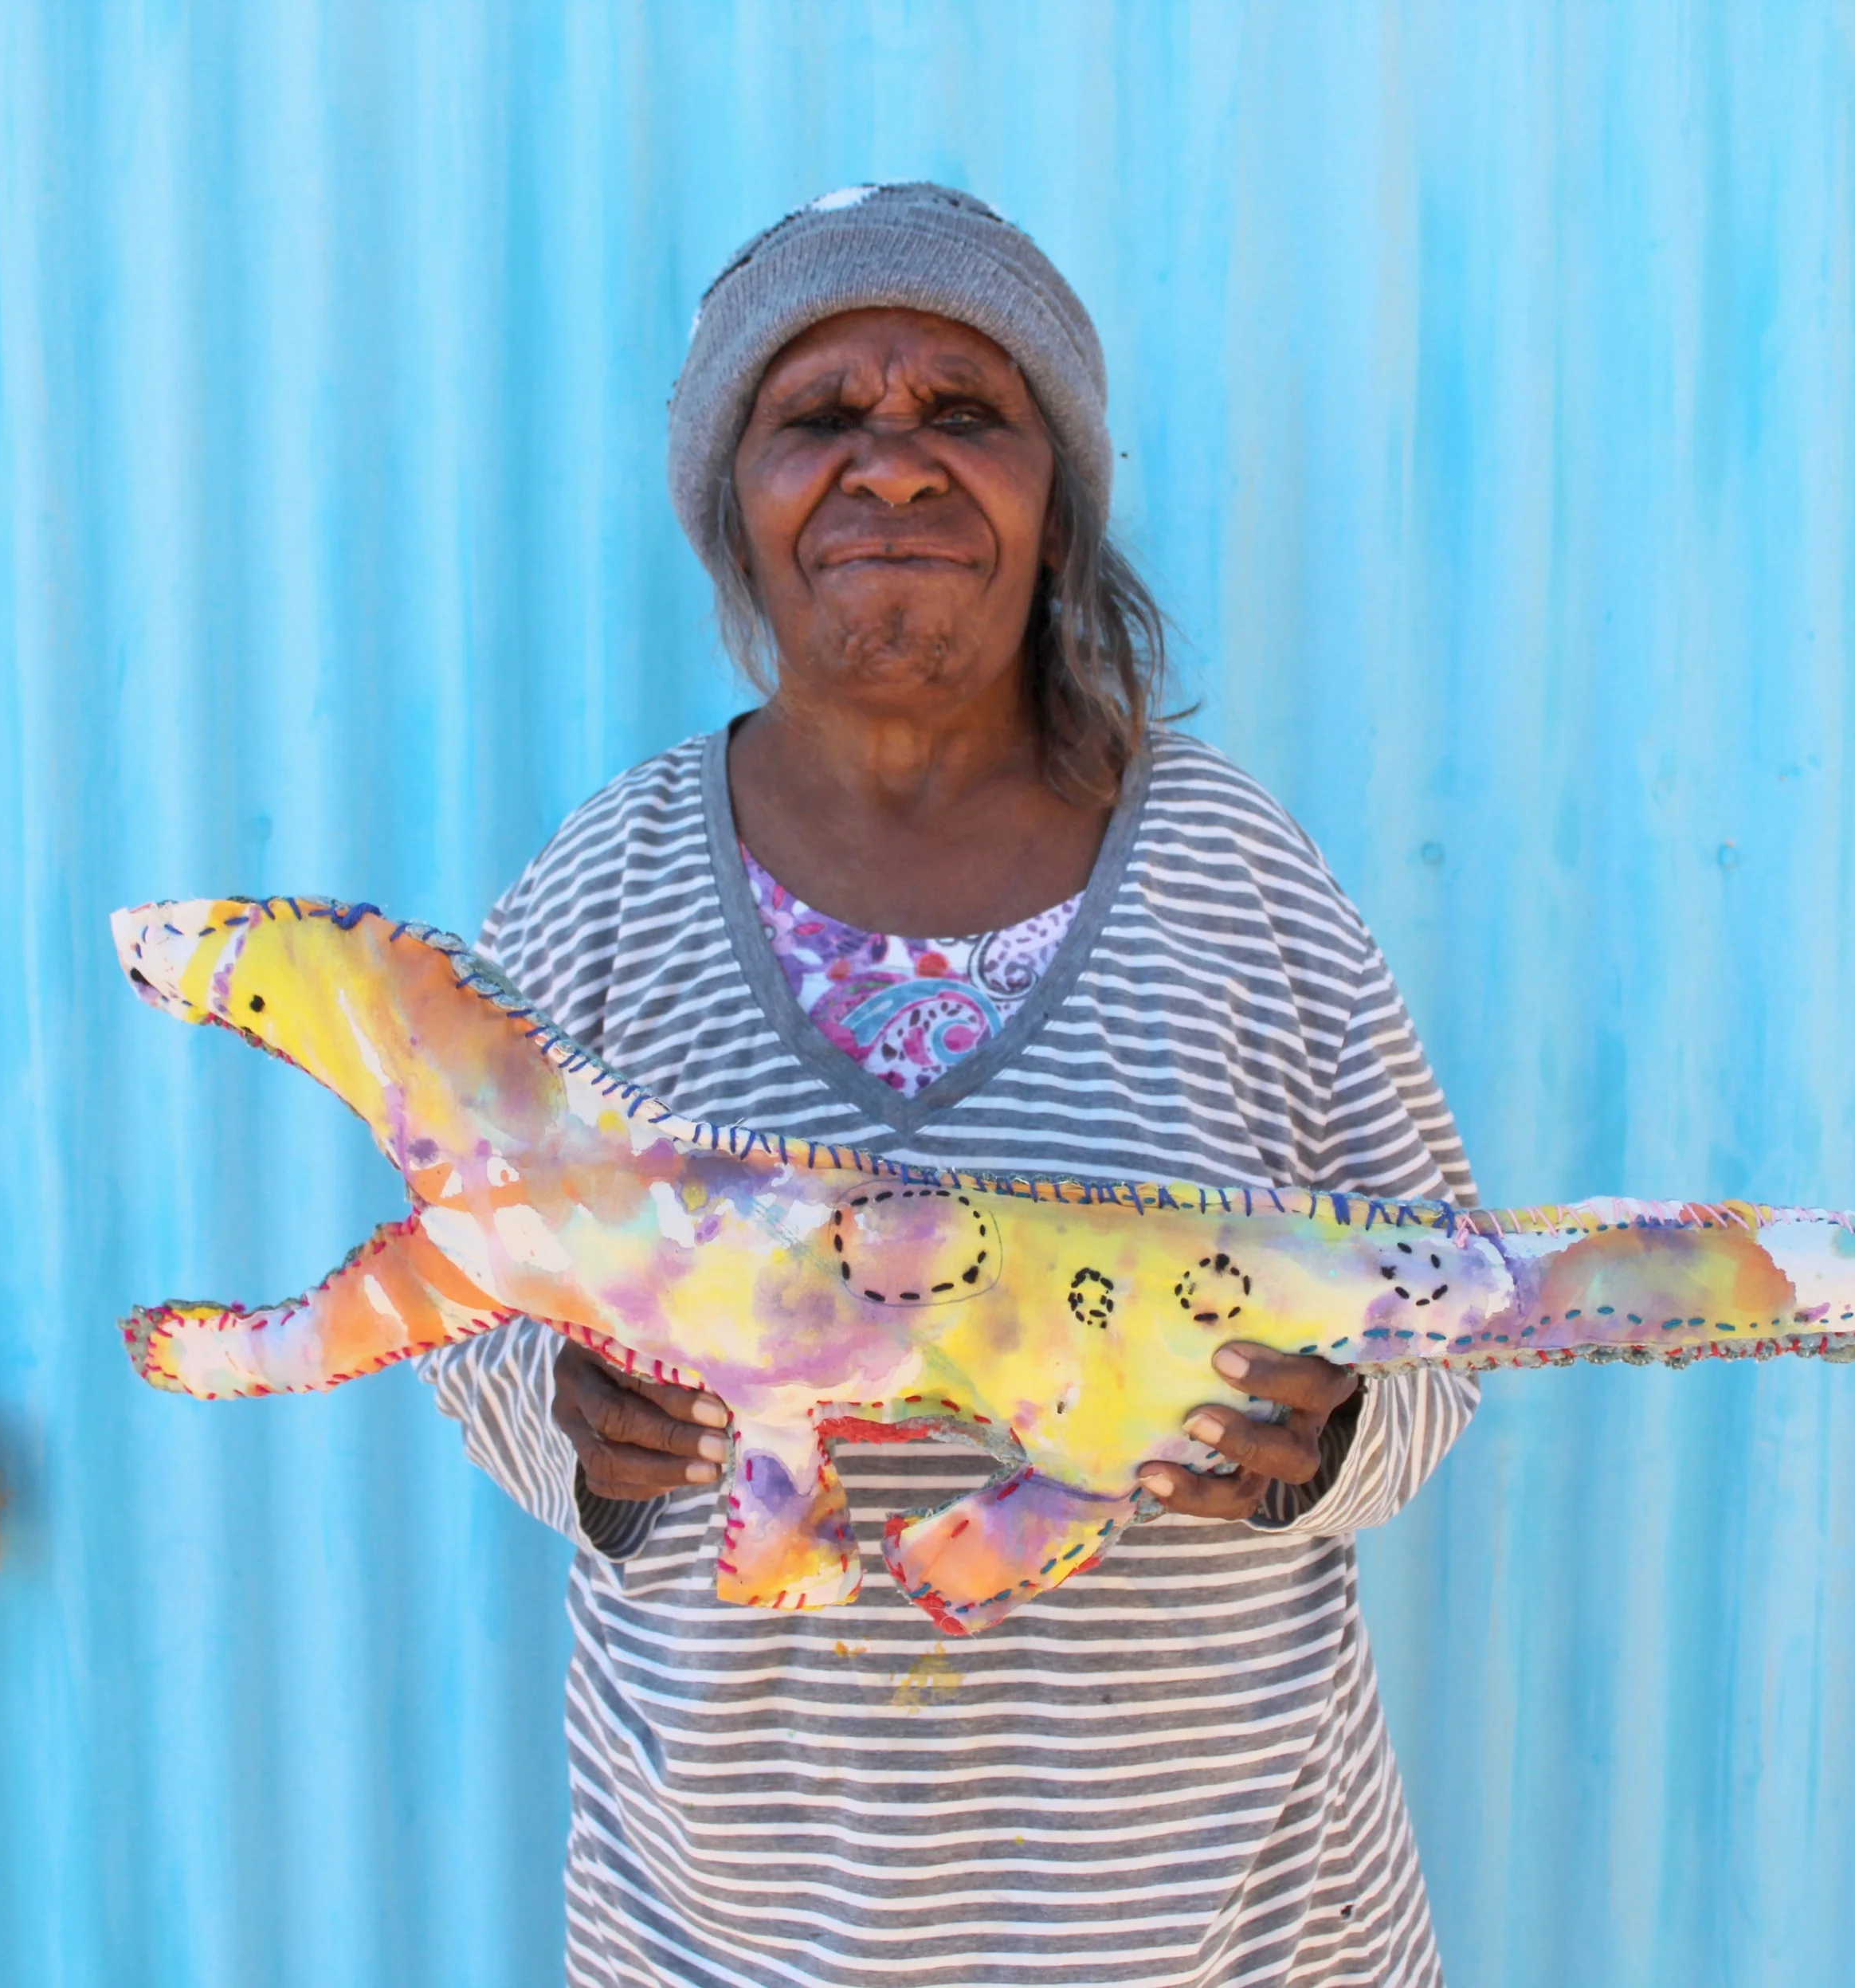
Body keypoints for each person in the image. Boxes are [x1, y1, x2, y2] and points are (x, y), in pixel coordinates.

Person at [422, 182, 1479, 1988]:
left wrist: (1333, 1437)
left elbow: (1442, 1303)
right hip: (734, 1934)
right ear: (730, 505)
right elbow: (459, 1306)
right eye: (818, 414)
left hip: (1232, 1928)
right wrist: (567, 1408)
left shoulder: (1232, 874)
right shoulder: (602, 893)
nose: (892, 465)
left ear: (1052, 497)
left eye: (964, 413)